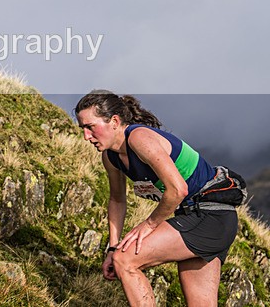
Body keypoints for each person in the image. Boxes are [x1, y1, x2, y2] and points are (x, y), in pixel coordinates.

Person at [74, 90, 239, 307]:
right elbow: (117, 200)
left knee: (126, 261)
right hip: (203, 218)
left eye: (90, 127)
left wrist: (149, 224)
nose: (86, 136)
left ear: (114, 121)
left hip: (209, 215)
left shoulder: (139, 138)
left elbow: (177, 189)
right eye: (82, 129)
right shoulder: (111, 157)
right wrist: (112, 248)